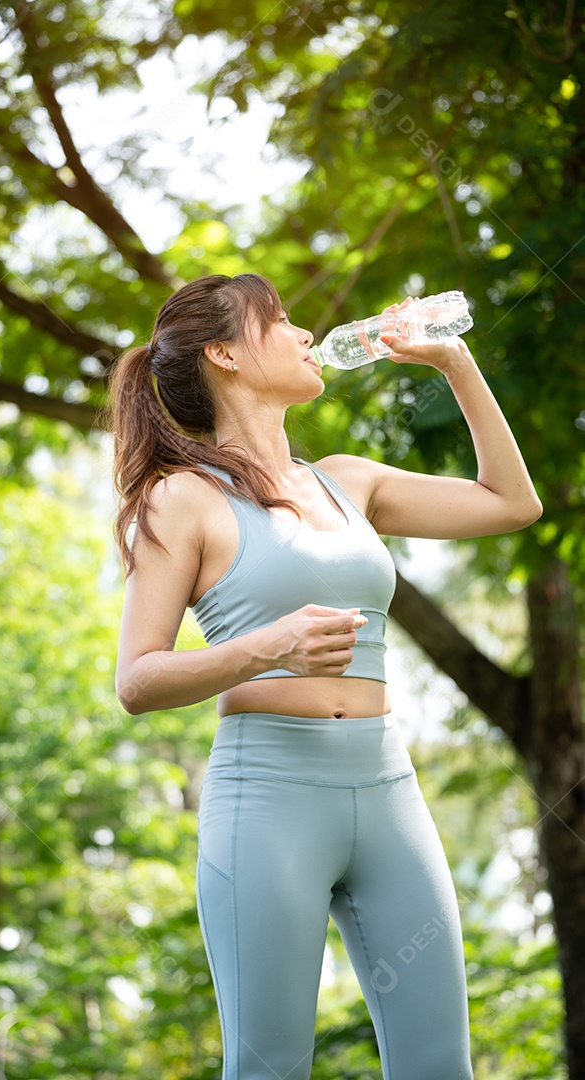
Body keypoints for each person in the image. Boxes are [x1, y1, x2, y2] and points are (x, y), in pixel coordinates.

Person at [111, 272, 542, 1080]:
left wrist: (454, 365)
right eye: (280, 321)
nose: (308, 335)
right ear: (224, 354)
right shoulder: (182, 500)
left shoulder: (349, 480)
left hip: (387, 787)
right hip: (268, 797)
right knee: (269, 1066)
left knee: (438, 1066)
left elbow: (510, 504)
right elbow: (136, 681)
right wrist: (262, 648)